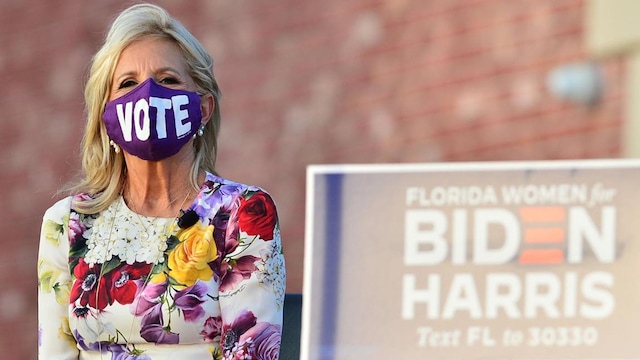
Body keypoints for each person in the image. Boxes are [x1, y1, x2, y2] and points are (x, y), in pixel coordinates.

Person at [37, 3, 285, 359]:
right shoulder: (65, 225)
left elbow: (251, 352)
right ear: (106, 117)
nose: (148, 95)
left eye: (168, 80)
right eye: (127, 83)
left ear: (203, 108)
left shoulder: (241, 214)